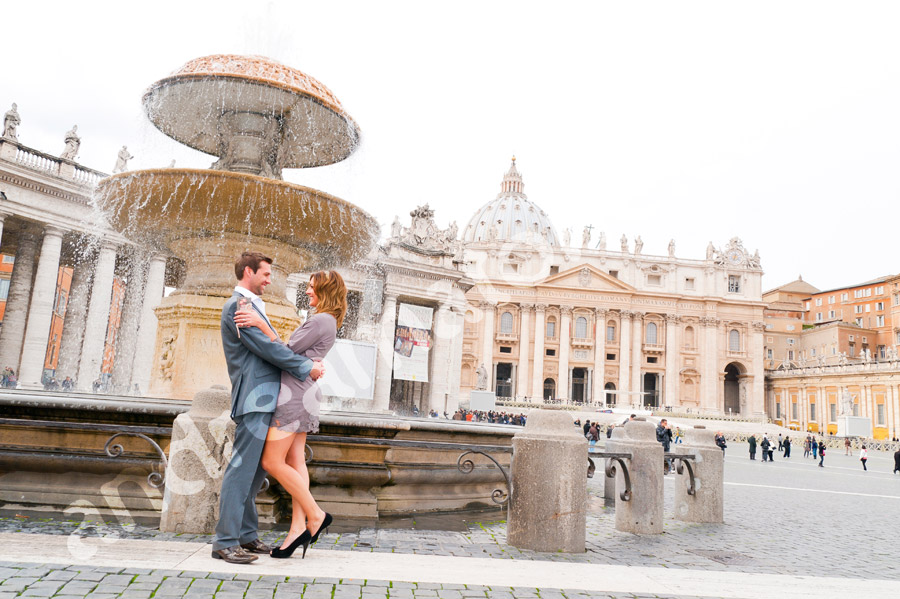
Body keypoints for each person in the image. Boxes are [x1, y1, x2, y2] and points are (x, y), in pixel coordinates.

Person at [212, 252, 324, 565]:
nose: (269, 279)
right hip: (254, 398)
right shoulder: (239, 307)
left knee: (255, 472)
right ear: (248, 272)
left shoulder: (251, 307)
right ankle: (225, 542)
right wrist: (305, 367)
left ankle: (247, 536)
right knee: (241, 471)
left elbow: (270, 347)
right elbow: (268, 349)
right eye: (265, 274)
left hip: (264, 398)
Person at [239, 269, 345, 560]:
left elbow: (283, 351)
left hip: (294, 394)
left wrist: (260, 323)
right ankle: (298, 527)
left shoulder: (321, 320)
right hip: (303, 391)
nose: (308, 291)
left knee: (271, 460)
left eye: (312, 288)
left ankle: (315, 514)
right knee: (295, 460)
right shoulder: (327, 320)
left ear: (325, 291)